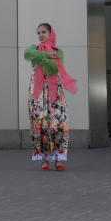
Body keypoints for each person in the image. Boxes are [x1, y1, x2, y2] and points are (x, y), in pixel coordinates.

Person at [24, 24, 77, 171]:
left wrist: (42, 58)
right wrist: (47, 55)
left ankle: (59, 159)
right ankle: (44, 160)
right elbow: (27, 54)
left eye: (44, 32)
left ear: (50, 33)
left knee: (58, 123)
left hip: (55, 92)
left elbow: (52, 69)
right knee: (40, 123)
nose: (41, 35)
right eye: (39, 33)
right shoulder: (34, 48)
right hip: (38, 92)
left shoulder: (58, 51)